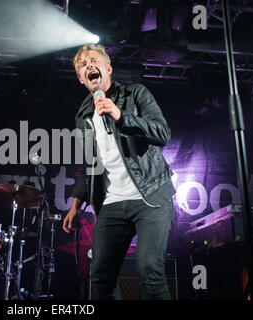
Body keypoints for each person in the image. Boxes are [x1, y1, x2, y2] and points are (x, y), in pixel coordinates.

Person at [62, 43, 176, 300]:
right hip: (112, 202)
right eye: (82, 65)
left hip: (151, 196)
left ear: (108, 68)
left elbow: (163, 133)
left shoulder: (136, 94)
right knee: (100, 277)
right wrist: (75, 204)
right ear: (81, 79)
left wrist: (120, 115)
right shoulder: (83, 115)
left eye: (94, 60)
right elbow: (90, 164)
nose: (89, 65)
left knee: (149, 270)